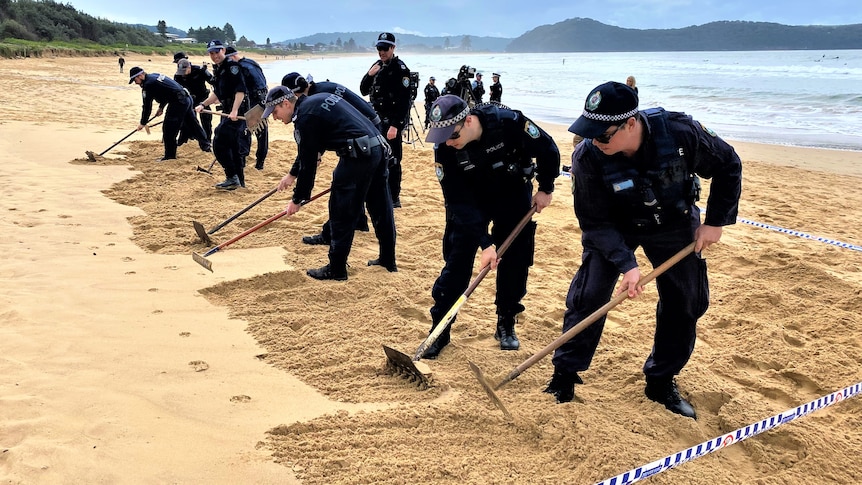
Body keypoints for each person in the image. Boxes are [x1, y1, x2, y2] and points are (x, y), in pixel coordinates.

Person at [545, 81, 742, 420]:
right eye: (589, 132)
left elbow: (728, 165)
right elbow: (594, 222)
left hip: (674, 222)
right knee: (589, 295)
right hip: (615, 226)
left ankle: (661, 379)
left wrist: (716, 222)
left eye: (603, 134)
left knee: (687, 302)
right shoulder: (588, 155)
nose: (595, 140)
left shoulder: (682, 133)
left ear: (630, 124)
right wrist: (627, 265)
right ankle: (564, 375)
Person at [422, 95, 560, 357]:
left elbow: (548, 149)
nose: (449, 143)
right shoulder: (444, 147)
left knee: (515, 259)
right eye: (443, 139)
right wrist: (485, 243)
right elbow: (456, 200)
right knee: (456, 262)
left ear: (469, 121)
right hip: (471, 200)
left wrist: (546, 188)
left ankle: (506, 321)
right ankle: (440, 328)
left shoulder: (509, 123)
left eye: (453, 136)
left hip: (512, 192)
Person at [262, 86, 397, 281]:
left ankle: (337, 269)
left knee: (341, 211)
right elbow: (312, 149)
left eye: (275, 112)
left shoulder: (305, 118)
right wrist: (292, 175)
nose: (275, 118)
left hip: (357, 155)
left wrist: (298, 199)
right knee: (380, 208)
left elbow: (309, 164)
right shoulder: (317, 101)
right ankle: (388, 260)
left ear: (286, 104)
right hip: (377, 147)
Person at [281, 72, 375, 247]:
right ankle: (359, 222)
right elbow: (316, 143)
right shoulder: (320, 92)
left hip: (364, 135)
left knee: (343, 189)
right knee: (353, 187)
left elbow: (310, 150)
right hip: (369, 134)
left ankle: (332, 235)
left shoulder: (312, 104)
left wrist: (298, 197)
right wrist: (293, 174)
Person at [360, 32, 412, 209]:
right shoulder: (376, 66)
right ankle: (377, 192)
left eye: (384, 48)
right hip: (375, 120)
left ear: (393, 48)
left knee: (394, 159)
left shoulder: (401, 69)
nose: (381, 52)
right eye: (379, 48)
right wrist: (369, 74)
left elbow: (405, 101)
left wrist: (396, 126)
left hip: (391, 122)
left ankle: (394, 196)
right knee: (374, 156)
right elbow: (363, 90)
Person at [194, 40, 249, 190]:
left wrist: (235, 110)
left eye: (216, 52)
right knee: (231, 145)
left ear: (223, 50)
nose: (214, 56)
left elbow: (240, 90)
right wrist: (203, 104)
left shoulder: (232, 67)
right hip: (228, 110)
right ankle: (237, 180)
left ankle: (232, 177)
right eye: (211, 53)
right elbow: (217, 93)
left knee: (218, 142)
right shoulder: (218, 69)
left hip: (237, 111)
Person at [128, 66, 209, 162]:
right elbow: (167, 91)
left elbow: (147, 106)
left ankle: (170, 156)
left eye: (135, 79)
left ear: (140, 75)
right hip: (186, 98)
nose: (135, 82)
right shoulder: (154, 76)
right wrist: (161, 107)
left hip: (178, 103)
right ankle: (206, 146)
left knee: (168, 129)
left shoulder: (148, 84)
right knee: (193, 124)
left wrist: (143, 122)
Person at [225, 46, 269, 170]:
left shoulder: (242, 68)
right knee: (261, 133)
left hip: (255, 101)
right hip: (263, 99)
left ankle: (245, 161)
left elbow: (242, 88)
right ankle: (259, 163)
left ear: (232, 57)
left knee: (245, 131)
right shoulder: (251, 62)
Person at [174, 58, 215, 148]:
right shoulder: (178, 76)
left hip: (203, 99)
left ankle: (207, 141)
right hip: (188, 100)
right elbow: (177, 90)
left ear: (189, 67)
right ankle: (184, 140)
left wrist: (216, 96)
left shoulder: (200, 71)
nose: (183, 73)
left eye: (185, 71)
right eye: (181, 71)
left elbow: (213, 82)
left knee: (206, 121)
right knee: (187, 121)